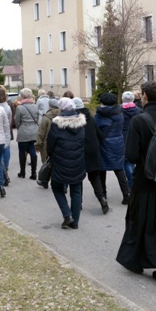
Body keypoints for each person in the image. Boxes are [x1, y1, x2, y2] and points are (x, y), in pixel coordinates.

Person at [116, 81, 156, 288]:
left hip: (144, 181)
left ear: (143, 96)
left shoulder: (138, 120)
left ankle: (135, 261)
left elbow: (131, 154)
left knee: (139, 221)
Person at [47, 97, 86, 229]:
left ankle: (67, 215)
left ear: (61, 108)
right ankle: (75, 222)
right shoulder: (81, 123)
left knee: (56, 187)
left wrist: (50, 155)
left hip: (60, 159)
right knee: (76, 189)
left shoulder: (56, 123)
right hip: (78, 159)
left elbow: (50, 143)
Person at [95, 92, 130, 205]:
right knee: (119, 169)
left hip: (104, 144)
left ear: (102, 102)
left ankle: (103, 194)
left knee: (102, 169)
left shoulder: (99, 115)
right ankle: (126, 194)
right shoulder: (120, 113)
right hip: (118, 142)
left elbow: (96, 129)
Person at [74, 97, 106, 213]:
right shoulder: (91, 118)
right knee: (94, 176)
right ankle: (102, 198)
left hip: (80, 150)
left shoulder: (73, 119)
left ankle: (78, 204)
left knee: (78, 178)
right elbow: (100, 134)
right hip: (93, 150)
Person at [15, 88, 40, 179]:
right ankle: (34, 173)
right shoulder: (35, 106)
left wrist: (20, 128)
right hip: (34, 131)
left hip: (23, 131)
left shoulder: (20, 107)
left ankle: (22, 172)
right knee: (33, 151)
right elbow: (37, 119)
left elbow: (17, 121)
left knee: (22, 152)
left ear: (23, 96)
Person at [121, 91, 142, 190]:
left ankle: (131, 182)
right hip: (137, 136)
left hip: (124, 136)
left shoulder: (119, 110)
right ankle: (136, 180)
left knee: (127, 161)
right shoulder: (139, 110)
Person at [0, 85, 13, 186]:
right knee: (6, 151)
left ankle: (3, 173)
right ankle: (5, 168)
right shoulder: (8, 107)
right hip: (6, 133)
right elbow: (9, 122)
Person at [36, 98, 60, 163]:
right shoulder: (62, 116)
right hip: (59, 146)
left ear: (49, 106)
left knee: (47, 166)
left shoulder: (46, 118)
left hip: (46, 146)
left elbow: (41, 133)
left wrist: (38, 145)